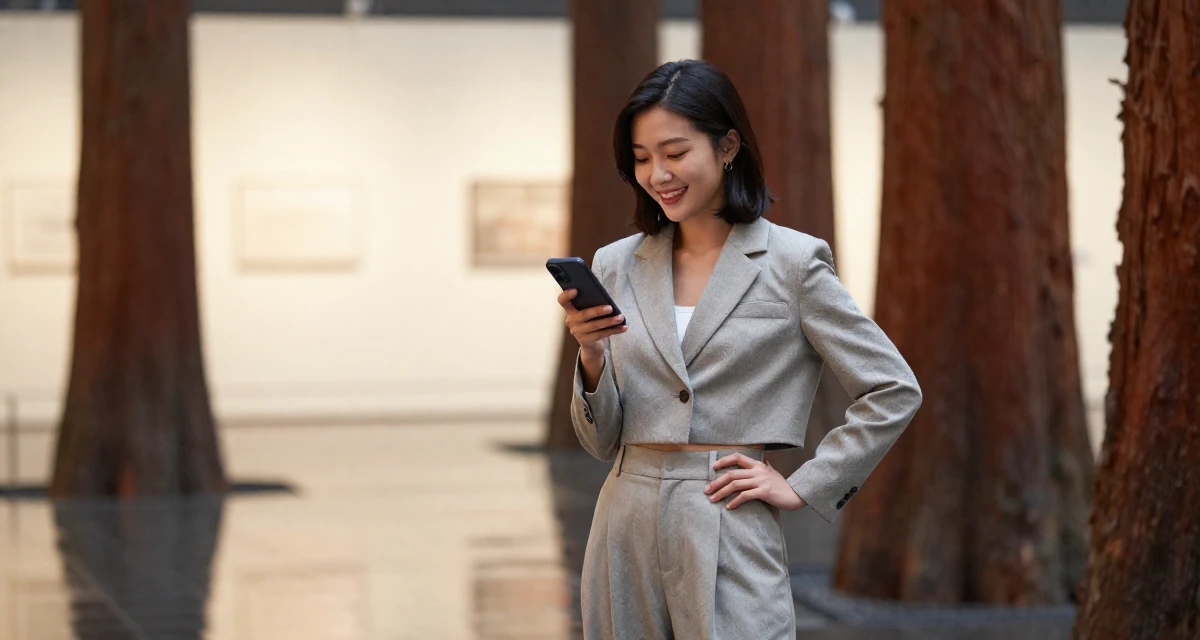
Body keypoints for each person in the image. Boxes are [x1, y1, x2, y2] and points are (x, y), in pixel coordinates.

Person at [556, 59, 922, 639]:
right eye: (642, 157)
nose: (658, 174)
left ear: (728, 146)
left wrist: (804, 484)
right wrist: (593, 359)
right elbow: (600, 441)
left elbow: (892, 387)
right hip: (623, 516)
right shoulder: (616, 263)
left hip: (727, 512)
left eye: (675, 153)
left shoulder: (794, 263)